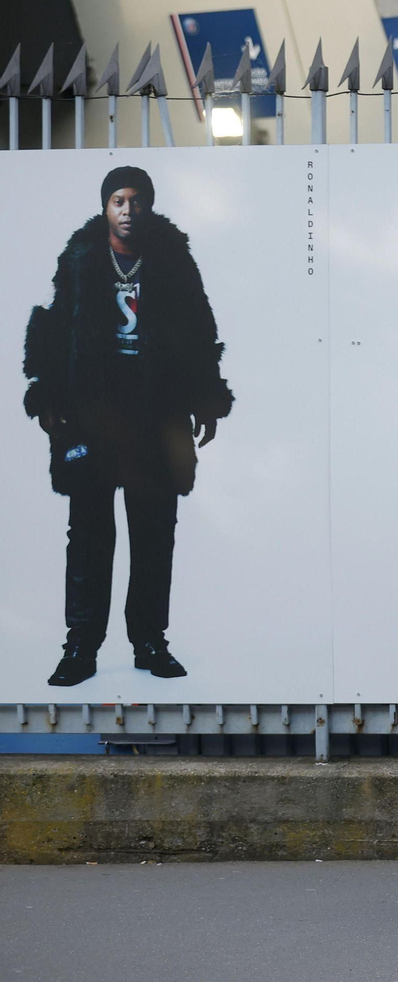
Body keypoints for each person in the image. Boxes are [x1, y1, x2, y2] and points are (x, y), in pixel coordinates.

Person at [23, 166, 232, 687]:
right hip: (95, 414)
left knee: (154, 532)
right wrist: (49, 394)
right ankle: (80, 647)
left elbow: (199, 327)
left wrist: (205, 398)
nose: (128, 210)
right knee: (89, 534)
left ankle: (149, 642)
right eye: (119, 200)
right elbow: (56, 325)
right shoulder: (80, 260)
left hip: (155, 414)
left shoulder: (173, 261)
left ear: (150, 206)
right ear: (105, 207)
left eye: (137, 201)